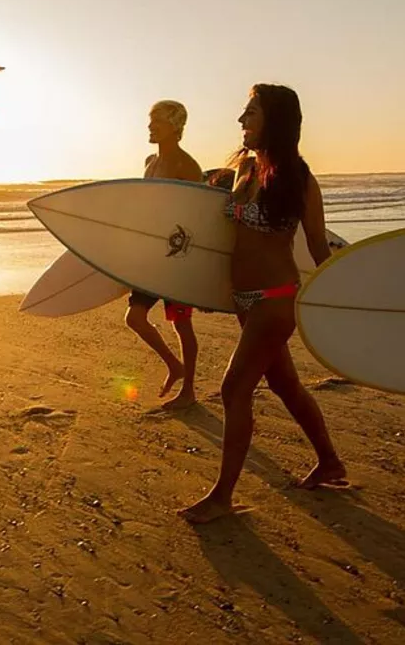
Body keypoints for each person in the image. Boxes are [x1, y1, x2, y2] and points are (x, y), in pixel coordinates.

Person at [178, 84, 346, 524]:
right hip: (245, 301)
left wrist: (342, 298)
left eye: (250, 113)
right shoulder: (245, 170)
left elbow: (316, 246)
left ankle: (223, 496)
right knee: (284, 385)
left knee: (235, 389)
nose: (241, 121)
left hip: (275, 300)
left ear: (275, 119)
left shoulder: (298, 180)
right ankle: (329, 462)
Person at [126, 100, 205, 409]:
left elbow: (197, 217)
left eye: (156, 120)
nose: (149, 126)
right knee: (135, 317)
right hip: (151, 255)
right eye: (150, 120)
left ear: (174, 125)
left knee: (182, 324)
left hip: (176, 257)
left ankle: (189, 391)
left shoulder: (187, 165)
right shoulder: (150, 161)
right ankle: (175, 365)